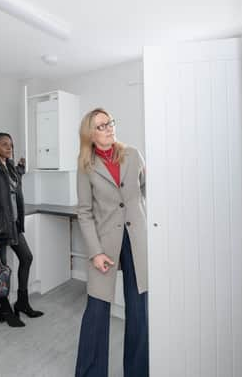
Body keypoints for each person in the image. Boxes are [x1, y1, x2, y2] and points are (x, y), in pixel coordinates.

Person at [74, 108, 149, 377]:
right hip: (104, 242)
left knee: (140, 311)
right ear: (90, 134)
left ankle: (138, 372)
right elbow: (84, 211)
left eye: (110, 123)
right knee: (97, 309)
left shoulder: (133, 154)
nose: (109, 128)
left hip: (137, 239)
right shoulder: (85, 165)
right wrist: (94, 253)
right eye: (102, 125)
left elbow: (144, 191)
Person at [0, 132, 44, 328]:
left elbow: (11, 184)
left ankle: (22, 302)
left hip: (12, 225)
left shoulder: (9, 166)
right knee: (0, 269)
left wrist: (20, 168)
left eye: (11, 144)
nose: (9, 147)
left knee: (26, 258)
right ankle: (4, 308)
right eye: (4, 144)